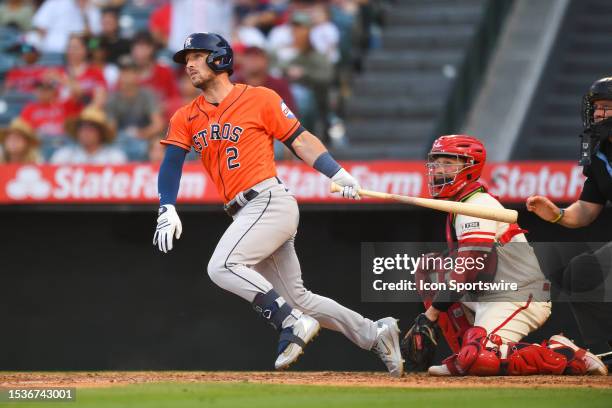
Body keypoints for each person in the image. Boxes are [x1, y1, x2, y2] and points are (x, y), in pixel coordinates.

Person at [153, 32, 404, 376]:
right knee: (300, 298)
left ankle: (289, 321)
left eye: (197, 56)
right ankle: (374, 334)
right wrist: (167, 205)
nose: (190, 65)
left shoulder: (260, 99)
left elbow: (299, 139)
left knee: (222, 266)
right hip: (244, 212)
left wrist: (337, 171)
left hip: (268, 200)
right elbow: (171, 163)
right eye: (186, 60)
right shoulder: (186, 115)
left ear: (219, 59)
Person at [400, 135, 607, 376]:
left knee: (481, 358)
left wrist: (431, 315)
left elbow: (470, 265)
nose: (438, 171)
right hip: (489, 292)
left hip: (520, 294)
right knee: (432, 268)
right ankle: (465, 355)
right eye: (436, 163)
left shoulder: (477, 204)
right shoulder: (459, 206)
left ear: (470, 167)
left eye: (448, 163)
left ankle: (565, 354)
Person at [526, 77, 612, 359]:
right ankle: (605, 349)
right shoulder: (600, 154)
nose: (599, 114)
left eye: (608, 107)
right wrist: (558, 214)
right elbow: (586, 210)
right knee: (579, 275)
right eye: (597, 107)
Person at [106, 56, 164, 161]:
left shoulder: (147, 95)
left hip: (144, 140)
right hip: (121, 141)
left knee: (152, 148)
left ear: (137, 75)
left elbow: (158, 124)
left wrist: (141, 133)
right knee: (113, 152)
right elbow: (111, 129)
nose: (126, 76)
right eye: (123, 72)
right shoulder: (113, 98)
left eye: (130, 72)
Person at [20, 77, 82, 159]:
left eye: (47, 89)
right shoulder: (29, 109)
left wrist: (59, 77)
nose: (44, 92)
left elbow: (78, 92)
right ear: (35, 92)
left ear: (54, 91)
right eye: (40, 89)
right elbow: (22, 130)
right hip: (40, 145)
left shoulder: (64, 105)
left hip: (63, 144)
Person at [50, 106, 126, 164]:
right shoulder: (64, 155)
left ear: (101, 133)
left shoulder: (114, 157)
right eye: (81, 127)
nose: (85, 132)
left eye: (91, 128)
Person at [31, 0, 102, 53]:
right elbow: (40, 26)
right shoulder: (55, 3)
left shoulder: (92, 10)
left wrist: (84, 12)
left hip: (80, 54)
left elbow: (95, 38)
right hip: (53, 51)